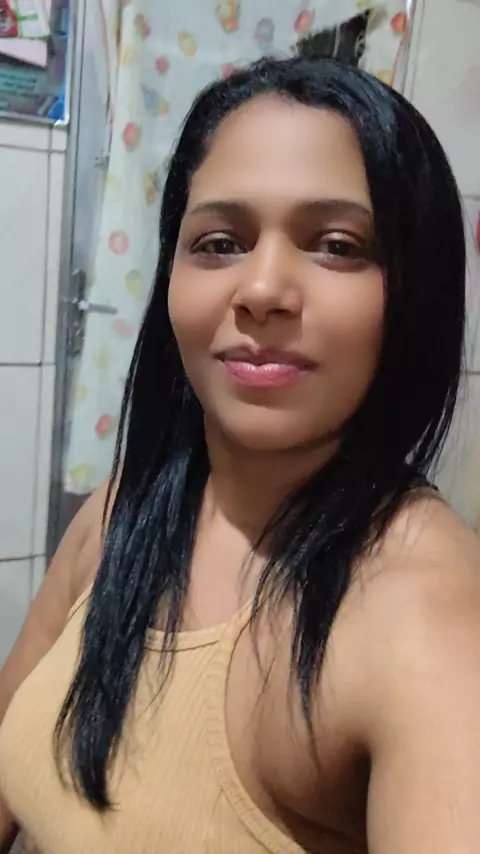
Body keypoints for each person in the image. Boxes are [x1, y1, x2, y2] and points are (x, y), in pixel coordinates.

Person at [0, 52, 479, 854]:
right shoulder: (122, 513)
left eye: (336, 245)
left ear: (412, 292)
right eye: (219, 242)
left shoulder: (427, 617)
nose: (260, 290)